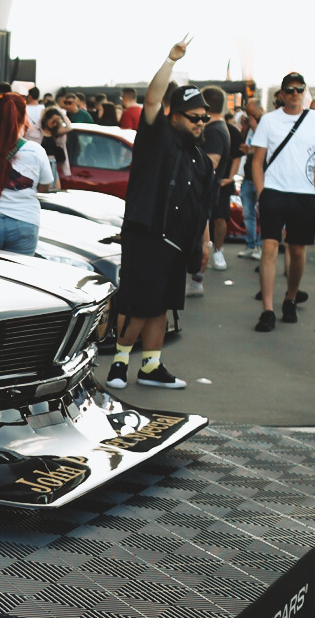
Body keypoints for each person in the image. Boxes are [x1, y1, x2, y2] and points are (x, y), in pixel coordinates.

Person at [105, 39, 214, 391]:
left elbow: (203, 205)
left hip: (178, 243)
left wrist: (204, 243)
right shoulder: (157, 136)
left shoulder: (201, 160)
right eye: (194, 118)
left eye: (204, 118)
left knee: (162, 305)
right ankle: (119, 364)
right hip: (147, 235)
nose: (200, 123)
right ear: (174, 115)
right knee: (139, 302)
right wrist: (170, 60)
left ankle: (151, 367)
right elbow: (152, 99)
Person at [250, 70, 315, 330]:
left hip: (305, 194)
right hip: (274, 191)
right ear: (282, 93)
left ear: (304, 91)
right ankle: (267, 310)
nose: (295, 94)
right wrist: (262, 193)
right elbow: (257, 161)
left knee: (297, 251)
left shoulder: (313, 120)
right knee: (269, 248)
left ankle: (291, 298)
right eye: (290, 89)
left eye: (300, 89)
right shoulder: (269, 120)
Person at [0, 92, 57, 254]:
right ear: (24, 117)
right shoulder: (36, 151)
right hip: (24, 221)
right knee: (17, 270)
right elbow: (45, 185)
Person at [202, 87, 238, 270]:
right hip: (213, 187)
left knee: (204, 234)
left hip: (210, 189)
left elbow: (211, 163)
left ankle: (199, 274)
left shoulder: (214, 131)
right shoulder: (217, 128)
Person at [236, 97, 263, 259]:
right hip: (247, 176)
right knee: (248, 214)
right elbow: (239, 144)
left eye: (252, 113)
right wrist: (245, 128)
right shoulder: (248, 127)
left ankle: (260, 247)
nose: (249, 116)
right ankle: (250, 245)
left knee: (263, 214)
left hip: (262, 177)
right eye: (247, 113)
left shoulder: (265, 125)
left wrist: (256, 127)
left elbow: (266, 148)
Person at [40, 105, 71, 184]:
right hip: (43, 163)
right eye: (53, 121)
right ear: (47, 119)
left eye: (57, 122)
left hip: (53, 162)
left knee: (56, 187)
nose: (55, 124)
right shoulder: (38, 131)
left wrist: (61, 113)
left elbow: (69, 128)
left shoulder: (54, 132)